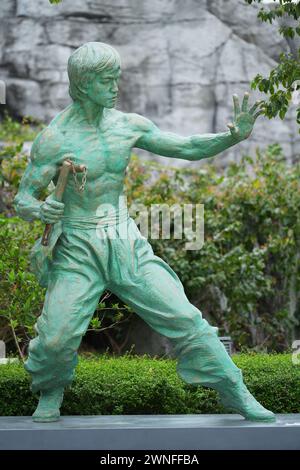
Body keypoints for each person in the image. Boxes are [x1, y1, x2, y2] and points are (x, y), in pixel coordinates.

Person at [14, 42, 275, 423]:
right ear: (84, 84)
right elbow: (23, 198)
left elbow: (185, 146)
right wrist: (40, 207)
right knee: (55, 339)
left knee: (186, 319)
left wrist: (231, 138)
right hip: (76, 246)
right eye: (107, 80)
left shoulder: (127, 125)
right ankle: (50, 390)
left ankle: (235, 389)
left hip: (124, 241)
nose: (116, 86)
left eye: (117, 77)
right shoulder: (55, 139)